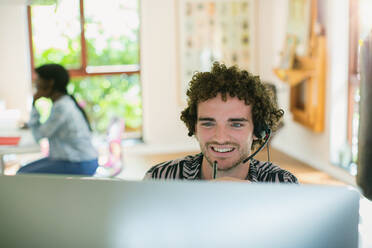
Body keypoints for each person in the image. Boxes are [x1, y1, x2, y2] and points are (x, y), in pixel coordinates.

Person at [144, 62, 298, 183]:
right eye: (208, 123)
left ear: (258, 130)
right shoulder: (158, 179)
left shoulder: (282, 185)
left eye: (236, 124)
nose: (221, 138)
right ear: (194, 127)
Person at [17, 64, 98, 176]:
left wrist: (34, 102)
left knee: (22, 174)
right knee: (22, 172)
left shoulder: (62, 107)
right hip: (72, 159)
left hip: (79, 162)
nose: (36, 82)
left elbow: (39, 135)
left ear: (50, 82)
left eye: (39, 78)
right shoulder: (62, 103)